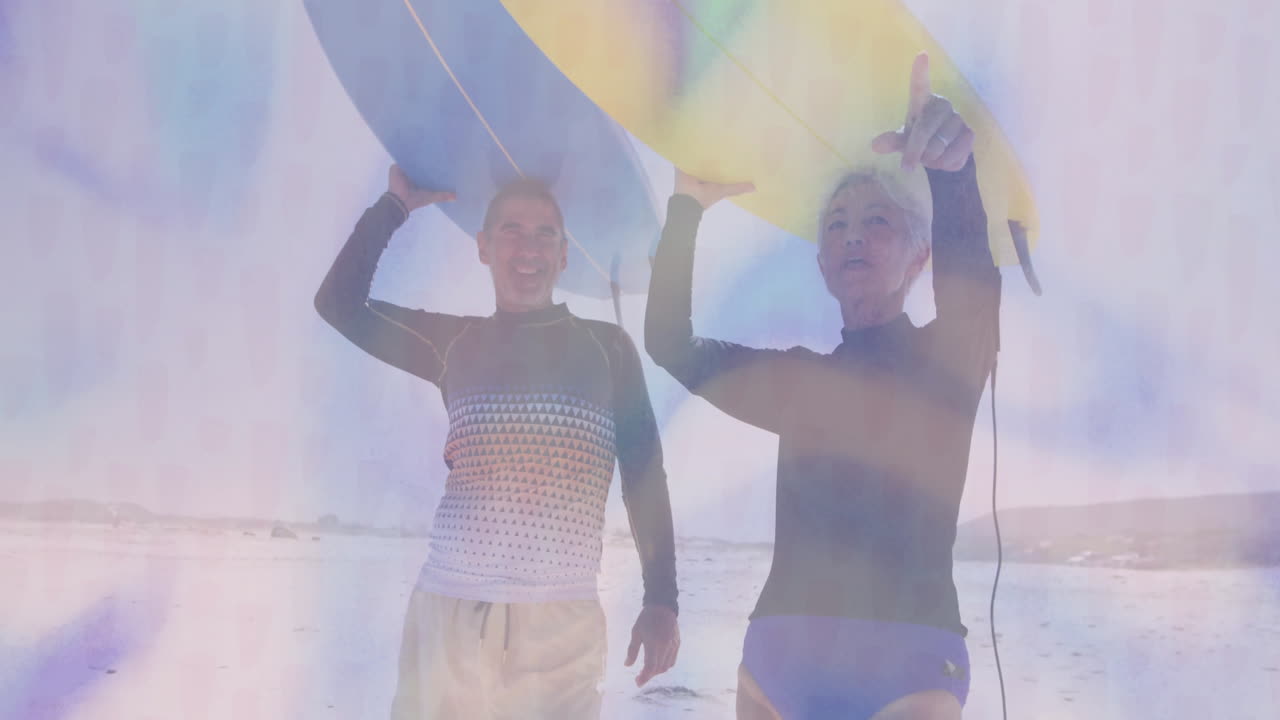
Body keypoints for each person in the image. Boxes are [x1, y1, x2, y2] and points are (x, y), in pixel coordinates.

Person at [644, 53, 999, 720]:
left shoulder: (950, 358)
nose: (853, 235)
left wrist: (954, 175)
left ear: (919, 258)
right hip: (784, 655)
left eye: (877, 221)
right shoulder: (797, 383)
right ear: (822, 265)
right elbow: (669, 343)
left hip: (911, 663)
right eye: (836, 224)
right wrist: (687, 208)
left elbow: (973, 286)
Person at [315, 166, 680, 719]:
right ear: (482, 247)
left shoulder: (608, 349)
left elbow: (644, 475)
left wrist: (662, 599)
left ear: (564, 254)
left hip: (562, 623)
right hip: (449, 609)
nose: (526, 247)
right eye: (510, 230)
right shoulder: (453, 342)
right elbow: (338, 305)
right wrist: (394, 207)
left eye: (544, 234)